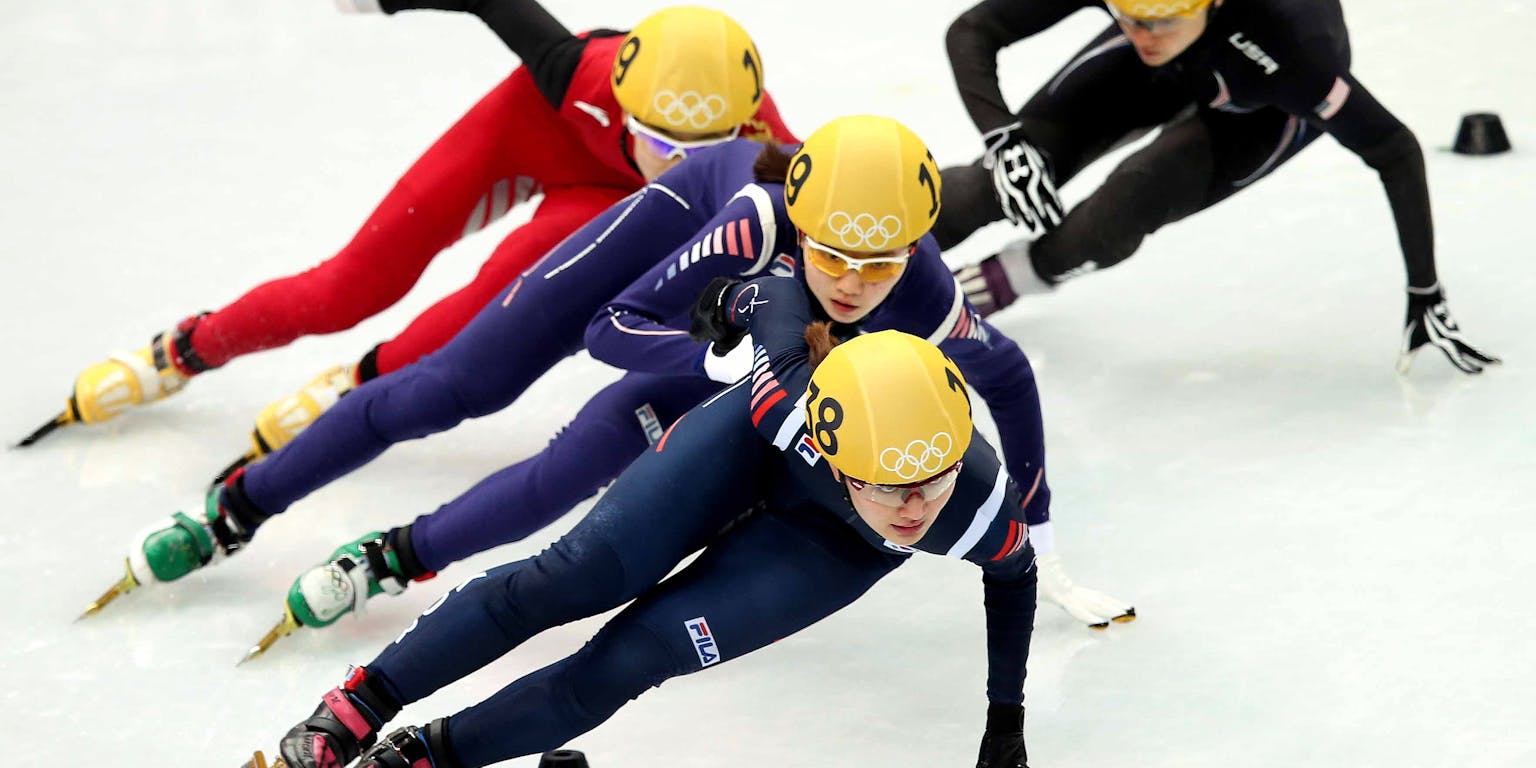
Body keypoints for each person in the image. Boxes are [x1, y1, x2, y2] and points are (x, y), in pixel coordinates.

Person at [91, 117, 1129, 644]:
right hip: (676, 272)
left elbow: (1009, 378)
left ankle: (392, 556)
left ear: (915, 247)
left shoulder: (924, 287)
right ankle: (239, 504)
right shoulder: (758, 222)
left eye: (883, 262)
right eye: (835, 255)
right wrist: (726, 347)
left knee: (576, 469)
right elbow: (612, 327)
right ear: (801, 227)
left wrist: (1032, 519)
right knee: (455, 387)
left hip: (748, 354)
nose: (856, 283)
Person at [256, 312, 1040, 768]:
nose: (912, 509)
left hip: (830, 549)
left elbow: (1013, 577)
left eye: (931, 482)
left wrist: (1005, 718)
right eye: (888, 485)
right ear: (832, 453)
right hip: (744, 453)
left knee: (631, 661)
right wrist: (727, 301)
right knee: (568, 577)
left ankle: (429, 756)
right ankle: (359, 704)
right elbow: (757, 296)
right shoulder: (791, 400)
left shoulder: (972, 507)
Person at [22, 0, 793, 462]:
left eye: (705, 149)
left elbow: (840, 211)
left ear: (744, 122)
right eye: (662, 139)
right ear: (622, 104)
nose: (678, 164)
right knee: (351, 285)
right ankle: (188, 347)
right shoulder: (572, 68)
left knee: (486, 312)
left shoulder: (766, 143)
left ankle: (357, 381)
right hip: (528, 135)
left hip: (603, 201)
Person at [936, 0, 1500, 375]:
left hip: (1260, 100)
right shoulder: (1150, 15)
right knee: (991, 186)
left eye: (1160, 20)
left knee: (1115, 215)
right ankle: (869, 252)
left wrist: (1425, 290)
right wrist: (1004, 140)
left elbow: (1393, 148)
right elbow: (974, 29)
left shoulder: (1293, 52)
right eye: (1127, 15)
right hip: (1191, 56)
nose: (1142, 34)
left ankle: (1002, 280)